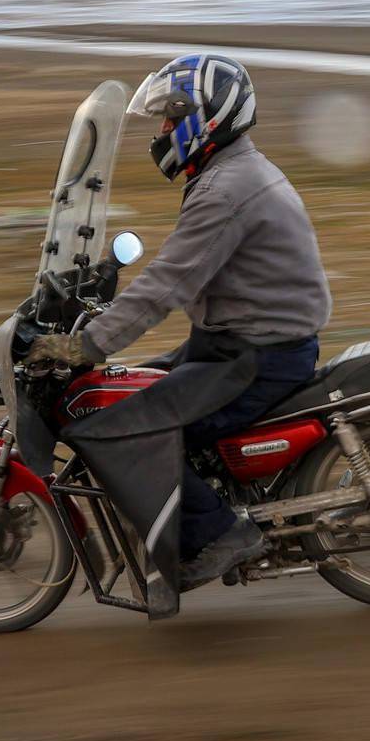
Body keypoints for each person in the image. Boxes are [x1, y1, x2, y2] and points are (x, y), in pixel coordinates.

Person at [27, 53, 332, 590]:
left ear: (207, 117)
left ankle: (220, 535)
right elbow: (179, 272)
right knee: (114, 394)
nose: (164, 131)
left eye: (172, 118)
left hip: (254, 357)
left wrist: (87, 346)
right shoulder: (231, 172)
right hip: (233, 343)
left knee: (122, 429)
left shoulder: (225, 190)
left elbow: (168, 284)